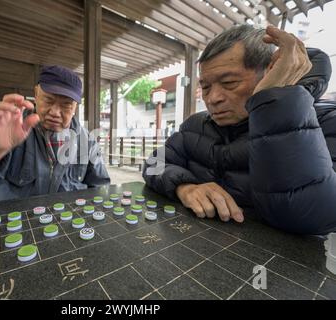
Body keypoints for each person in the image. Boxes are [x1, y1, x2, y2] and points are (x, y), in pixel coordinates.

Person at [143, 25, 336, 235]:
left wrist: (275, 104)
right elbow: (154, 164)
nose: (212, 98)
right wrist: (184, 186)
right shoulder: (195, 125)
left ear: (270, 71)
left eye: (229, 82)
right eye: (205, 87)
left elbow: (315, 215)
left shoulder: (323, 121)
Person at [0, 65, 110, 202]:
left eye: (66, 105)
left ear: (75, 107)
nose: (55, 112)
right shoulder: (13, 128)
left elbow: (101, 186)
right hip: (18, 225)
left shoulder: (86, 141)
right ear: (36, 93)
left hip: (67, 224)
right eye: (48, 100)